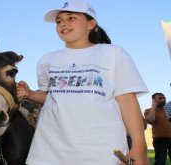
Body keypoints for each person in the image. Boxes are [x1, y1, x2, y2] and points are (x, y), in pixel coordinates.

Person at [16, 1, 149, 164]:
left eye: (71, 18)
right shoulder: (47, 60)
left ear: (91, 24)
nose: (63, 23)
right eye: (59, 21)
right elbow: (51, 97)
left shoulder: (112, 53)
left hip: (103, 153)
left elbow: (127, 100)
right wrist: (30, 94)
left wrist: (139, 146)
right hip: (49, 152)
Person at [144, 93, 171, 165]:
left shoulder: (168, 109)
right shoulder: (148, 111)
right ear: (153, 100)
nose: (163, 100)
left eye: (164, 98)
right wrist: (153, 107)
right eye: (160, 98)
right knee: (160, 161)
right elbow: (150, 120)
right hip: (159, 140)